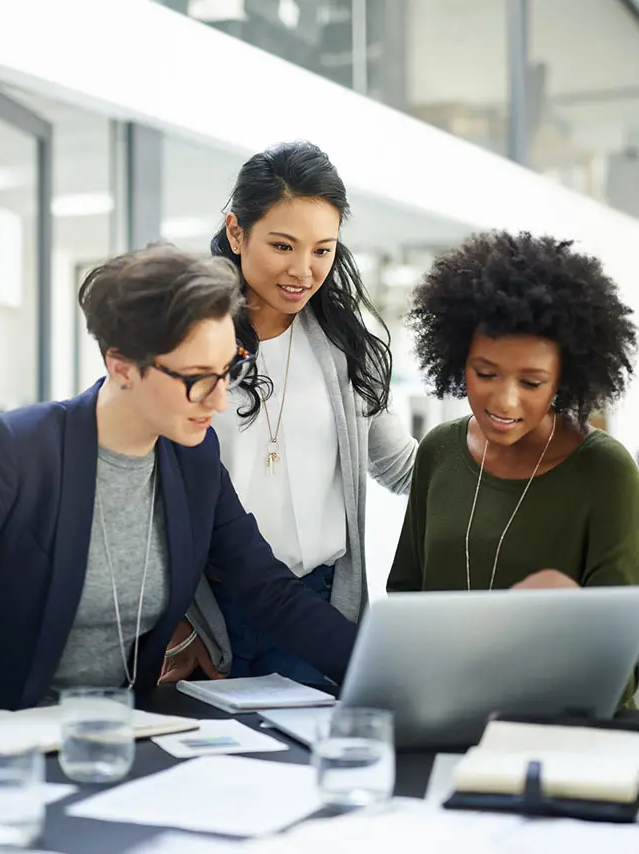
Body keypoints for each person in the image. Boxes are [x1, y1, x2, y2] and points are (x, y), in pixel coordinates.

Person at [0, 245, 358, 762]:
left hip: (102, 750)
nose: (219, 400)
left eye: (229, 371)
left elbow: (269, 592)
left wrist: (379, 670)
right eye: (198, 378)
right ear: (123, 366)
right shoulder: (17, 451)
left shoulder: (193, 458)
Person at [160, 141, 416, 685]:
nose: (303, 270)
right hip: (209, 614)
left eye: (323, 250)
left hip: (319, 609)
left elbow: (400, 466)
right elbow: (146, 487)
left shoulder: (348, 346)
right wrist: (178, 622)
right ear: (236, 232)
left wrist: (509, 450)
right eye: (282, 245)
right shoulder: (186, 340)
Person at [386, 231, 639, 702]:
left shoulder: (606, 473)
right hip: (444, 711)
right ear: (456, 359)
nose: (504, 401)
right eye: (485, 374)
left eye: (531, 381)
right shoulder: (439, 451)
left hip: (559, 727)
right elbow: (404, 605)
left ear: (565, 380)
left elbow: (619, 670)